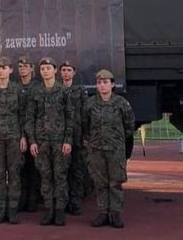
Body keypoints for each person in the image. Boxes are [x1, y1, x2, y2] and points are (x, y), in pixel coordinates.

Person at [83, 69, 135, 229]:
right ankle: (102, 213)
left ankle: (116, 214)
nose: (102, 85)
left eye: (105, 82)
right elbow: (85, 125)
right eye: (99, 83)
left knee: (115, 182)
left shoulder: (121, 103)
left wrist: (118, 140)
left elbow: (129, 126)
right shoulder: (90, 103)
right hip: (96, 149)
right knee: (100, 182)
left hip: (115, 150)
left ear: (112, 84)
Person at [26, 57, 74, 226]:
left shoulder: (63, 91)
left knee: (60, 176)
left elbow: (70, 118)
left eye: (48, 68)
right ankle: (49, 210)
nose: (45, 71)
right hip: (41, 142)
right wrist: (32, 141)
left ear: (54, 70)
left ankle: (60, 211)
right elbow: (30, 118)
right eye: (42, 69)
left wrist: (68, 140)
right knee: (45, 176)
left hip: (60, 142)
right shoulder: (36, 92)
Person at [0, 57, 27, 224]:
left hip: (14, 137)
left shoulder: (18, 90)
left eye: (4, 68)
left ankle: (13, 210)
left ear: (10, 70)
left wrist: (23, 136)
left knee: (14, 173)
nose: (1, 71)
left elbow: (23, 115)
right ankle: (1, 209)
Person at [59, 60, 89, 216]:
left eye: (69, 70)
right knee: (62, 171)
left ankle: (75, 202)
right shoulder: (56, 90)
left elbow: (85, 114)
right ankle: (63, 202)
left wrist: (85, 135)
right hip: (60, 136)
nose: (66, 73)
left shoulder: (80, 91)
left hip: (77, 136)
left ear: (74, 72)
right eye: (63, 70)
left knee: (77, 170)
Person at [16, 55, 41, 212]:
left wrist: (31, 136)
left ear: (32, 68)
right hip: (18, 133)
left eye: (26, 66)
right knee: (20, 167)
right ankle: (22, 197)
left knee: (34, 167)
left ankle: (33, 197)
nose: (23, 69)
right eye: (20, 66)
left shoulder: (38, 88)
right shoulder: (14, 88)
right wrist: (21, 135)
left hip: (35, 134)